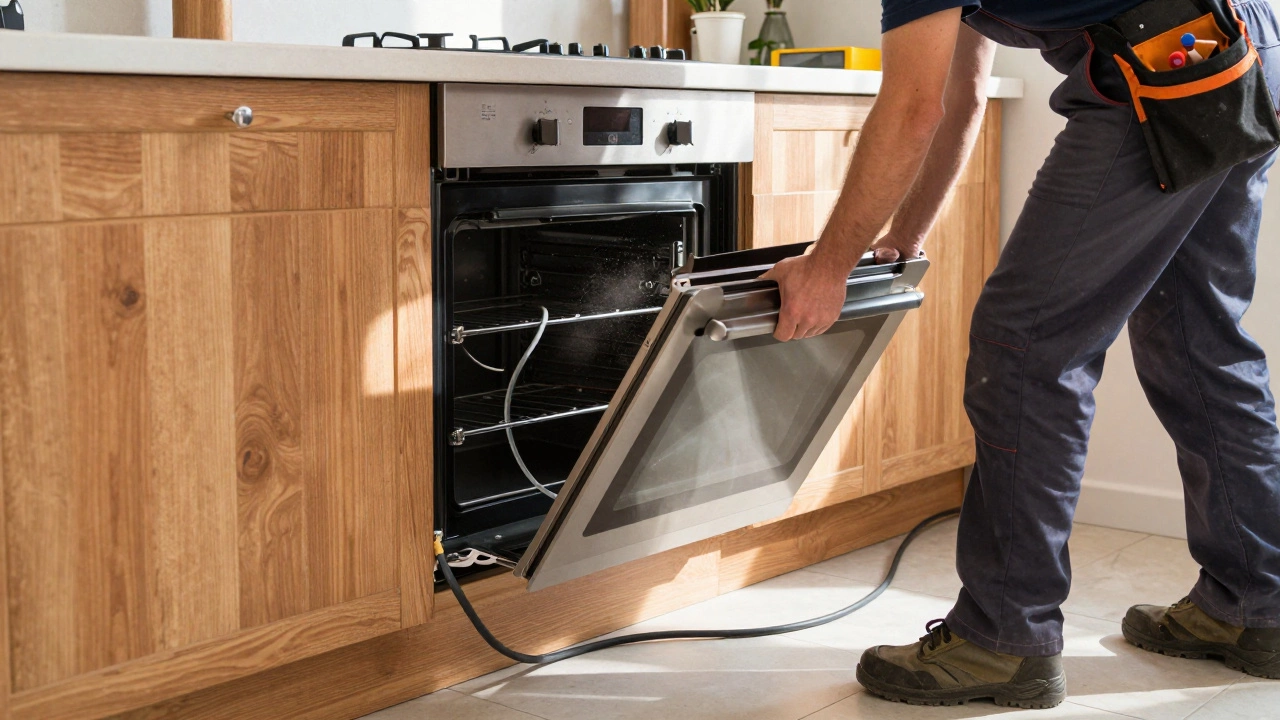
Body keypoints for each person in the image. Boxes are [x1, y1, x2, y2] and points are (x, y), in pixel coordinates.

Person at [762, 0, 1280, 709]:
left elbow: (915, 106)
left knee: (1026, 347)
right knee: (1199, 339)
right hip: (1242, 42)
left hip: (1161, 66)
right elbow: (957, 92)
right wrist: (906, 236)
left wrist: (828, 266)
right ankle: (1259, 606)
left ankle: (1004, 637)